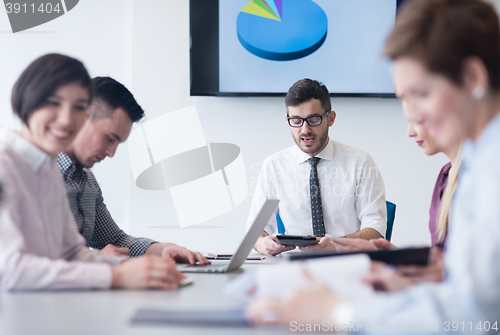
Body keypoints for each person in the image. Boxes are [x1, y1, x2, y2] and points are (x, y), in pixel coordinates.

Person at [247, 0, 500, 329]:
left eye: (420, 94)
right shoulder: (479, 162)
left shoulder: (490, 171)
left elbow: (474, 318)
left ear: (472, 77)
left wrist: (337, 313)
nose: (411, 116)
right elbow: (478, 291)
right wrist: (420, 268)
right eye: (403, 99)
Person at [0, 54, 184, 290]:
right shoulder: (6, 163)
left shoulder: (48, 170)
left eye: (77, 108)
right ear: (27, 99)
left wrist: (144, 267)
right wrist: (115, 276)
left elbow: (73, 253)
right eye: (54, 103)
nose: (67, 120)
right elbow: (8, 269)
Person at [58, 76, 209, 265]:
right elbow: (33, 261)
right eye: (109, 138)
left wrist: (163, 249)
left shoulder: (87, 180)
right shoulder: (34, 176)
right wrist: (95, 261)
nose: (111, 153)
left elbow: (116, 240)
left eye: (118, 143)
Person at [248, 79, 387, 256]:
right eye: (296, 120)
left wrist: (338, 245)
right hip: (293, 270)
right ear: (287, 120)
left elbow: (376, 227)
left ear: (331, 118)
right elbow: (256, 229)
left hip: (347, 264)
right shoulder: (274, 165)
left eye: (313, 119)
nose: (305, 130)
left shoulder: (360, 162)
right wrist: (261, 244)